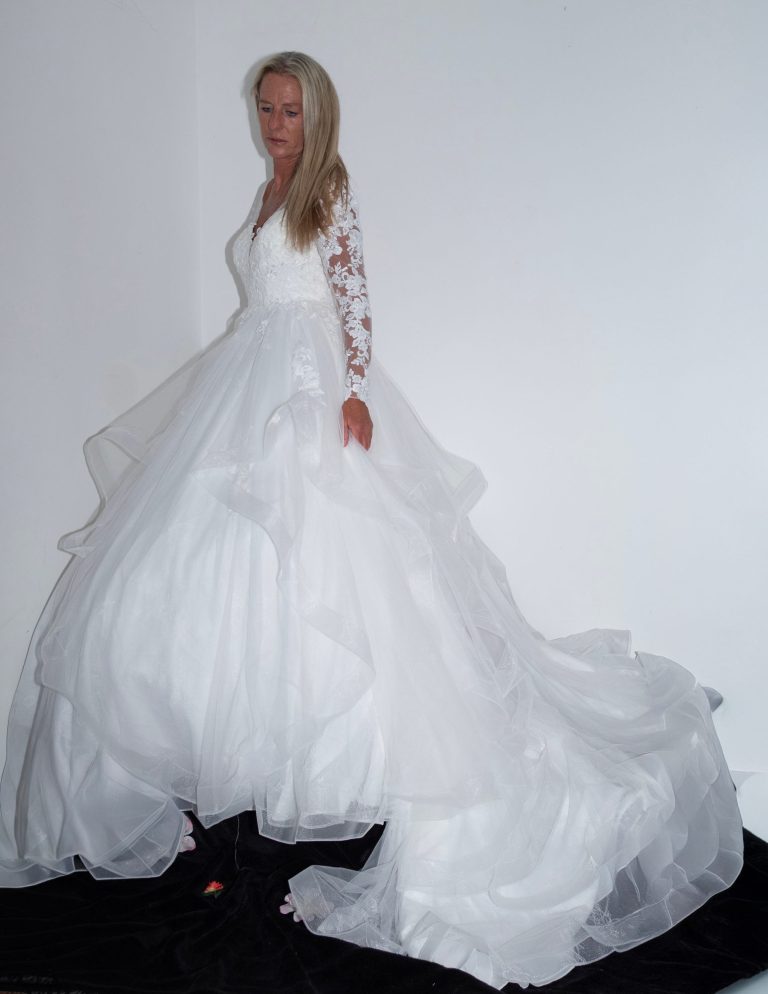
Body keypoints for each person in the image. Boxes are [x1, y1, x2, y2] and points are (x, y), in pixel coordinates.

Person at [0, 50, 744, 991]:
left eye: (290, 111)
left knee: (337, 579)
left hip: (304, 389)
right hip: (244, 386)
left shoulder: (326, 187)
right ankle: (219, 787)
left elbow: (351, 295)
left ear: (318, 117)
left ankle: (345, 783)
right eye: (266, 109)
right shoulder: (266, 189)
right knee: (196, 581)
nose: (276, 125)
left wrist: (353, 391)